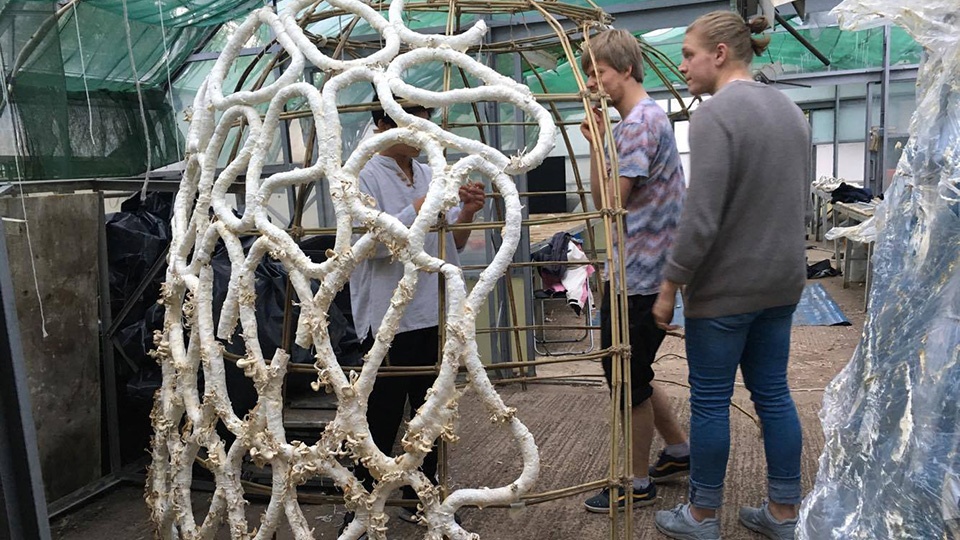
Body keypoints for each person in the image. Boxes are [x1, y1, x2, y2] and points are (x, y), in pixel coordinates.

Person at [652, 11, 809, 540]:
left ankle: (700, 516)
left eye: (689, 54)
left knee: (712, 401)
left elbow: (701, 217)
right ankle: (784, 513)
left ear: (720, 53)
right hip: (783, 284)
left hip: (725, 291)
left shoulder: (714, 116)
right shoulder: (791, 111)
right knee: (774, 395)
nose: (683, 65)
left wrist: (671, 282)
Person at [342, 104, 485, 535]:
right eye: (414, 121)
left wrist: (467, 214)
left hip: (431, 312)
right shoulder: (361, 174)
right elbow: (372, 246)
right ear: (384, 124)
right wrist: (419, 207)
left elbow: (447, 249)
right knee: (380, 417)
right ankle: (363, 504)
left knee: (432, 413)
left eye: (427, 121)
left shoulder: (427, 171)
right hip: (388, 319)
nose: (425, 131)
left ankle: (427, 496)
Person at [577, 29, 691, 514]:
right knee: (632, 369)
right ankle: (680, 451)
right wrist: (600, 142)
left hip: (644, 275)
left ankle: (637, 482)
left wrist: (604, 142)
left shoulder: (639, 124)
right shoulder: (636, 122)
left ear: (625, 68)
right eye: (587, 71)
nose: (590, 81)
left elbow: (611, 206)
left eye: (597, 71)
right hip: (637, 270)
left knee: (624, 378)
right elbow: (606, 202)